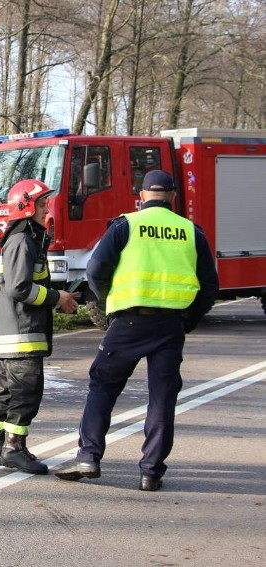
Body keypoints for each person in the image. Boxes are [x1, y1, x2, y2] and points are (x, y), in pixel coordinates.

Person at [55, 169, 219, 491]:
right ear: (172, 196)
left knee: (103, 386)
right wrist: (188, 320)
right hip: (171, 324)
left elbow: (95, 270)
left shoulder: (125, 225)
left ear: (141, 196)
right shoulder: (190, 231)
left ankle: (88, 457)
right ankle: (151, 472)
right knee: (162, 396)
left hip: (128, 321)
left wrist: (107, 304)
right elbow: (210, 286)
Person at [0, 179, 80, 475]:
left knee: (7, 391)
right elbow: (19, 288)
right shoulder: (22, 241)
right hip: (22, 334)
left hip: (15, 333)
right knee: (26, 392)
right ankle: (14, 449)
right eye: (42, 204)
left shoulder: (25, 239)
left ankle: (1, 449)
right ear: (25, 207)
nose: (46, 209)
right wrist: (57, 297)